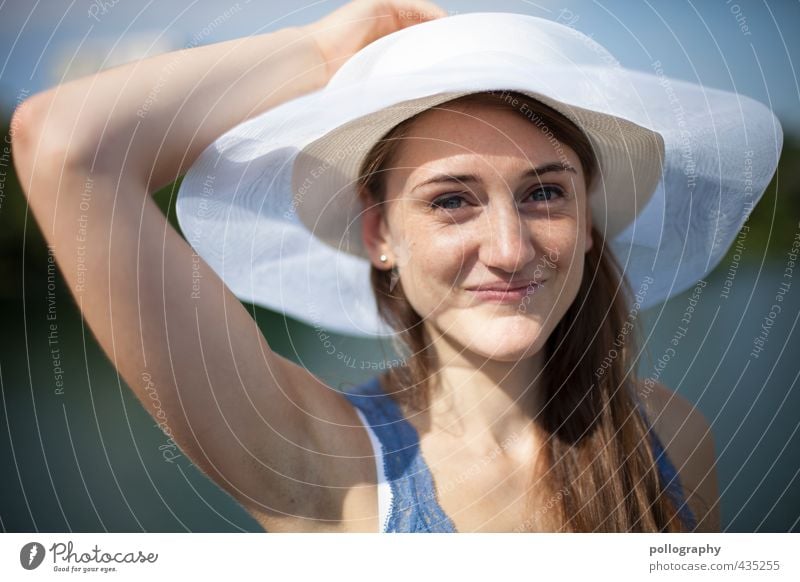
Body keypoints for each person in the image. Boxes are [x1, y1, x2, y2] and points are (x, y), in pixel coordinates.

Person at [12, 0, 781, 533]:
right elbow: (68, 146)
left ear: (587, 223)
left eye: (545, 192)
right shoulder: (325, 459)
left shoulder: (671, 434)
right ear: (380, 232)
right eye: (452, 201)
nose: (510, 249)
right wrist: (322, 50)